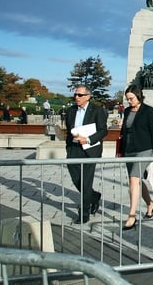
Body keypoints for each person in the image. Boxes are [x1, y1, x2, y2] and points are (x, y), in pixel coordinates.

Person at [120, 85, 153, 231]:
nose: (129, 101)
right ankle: (150, 204)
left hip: (144, 148)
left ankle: (131, 216)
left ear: (139, 96)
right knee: (136, 180)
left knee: (133, 179)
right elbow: (125, 130)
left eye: (131, 98)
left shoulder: (148, 111)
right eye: (127, 99)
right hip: (129, 149)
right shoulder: (126, 111)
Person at [65, 85, 106, 224]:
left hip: (90, 150)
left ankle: (84, 212)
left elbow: (103, 131)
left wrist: (88, 139)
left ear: (88, 96)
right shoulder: (70, 111)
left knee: (86, 182)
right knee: (77, 180)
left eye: (80, 95)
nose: (76, 97)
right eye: (75, 95)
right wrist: (68, 147)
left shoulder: (97, 110)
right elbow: (68, 130)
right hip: (74, 149)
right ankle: (94, 197)